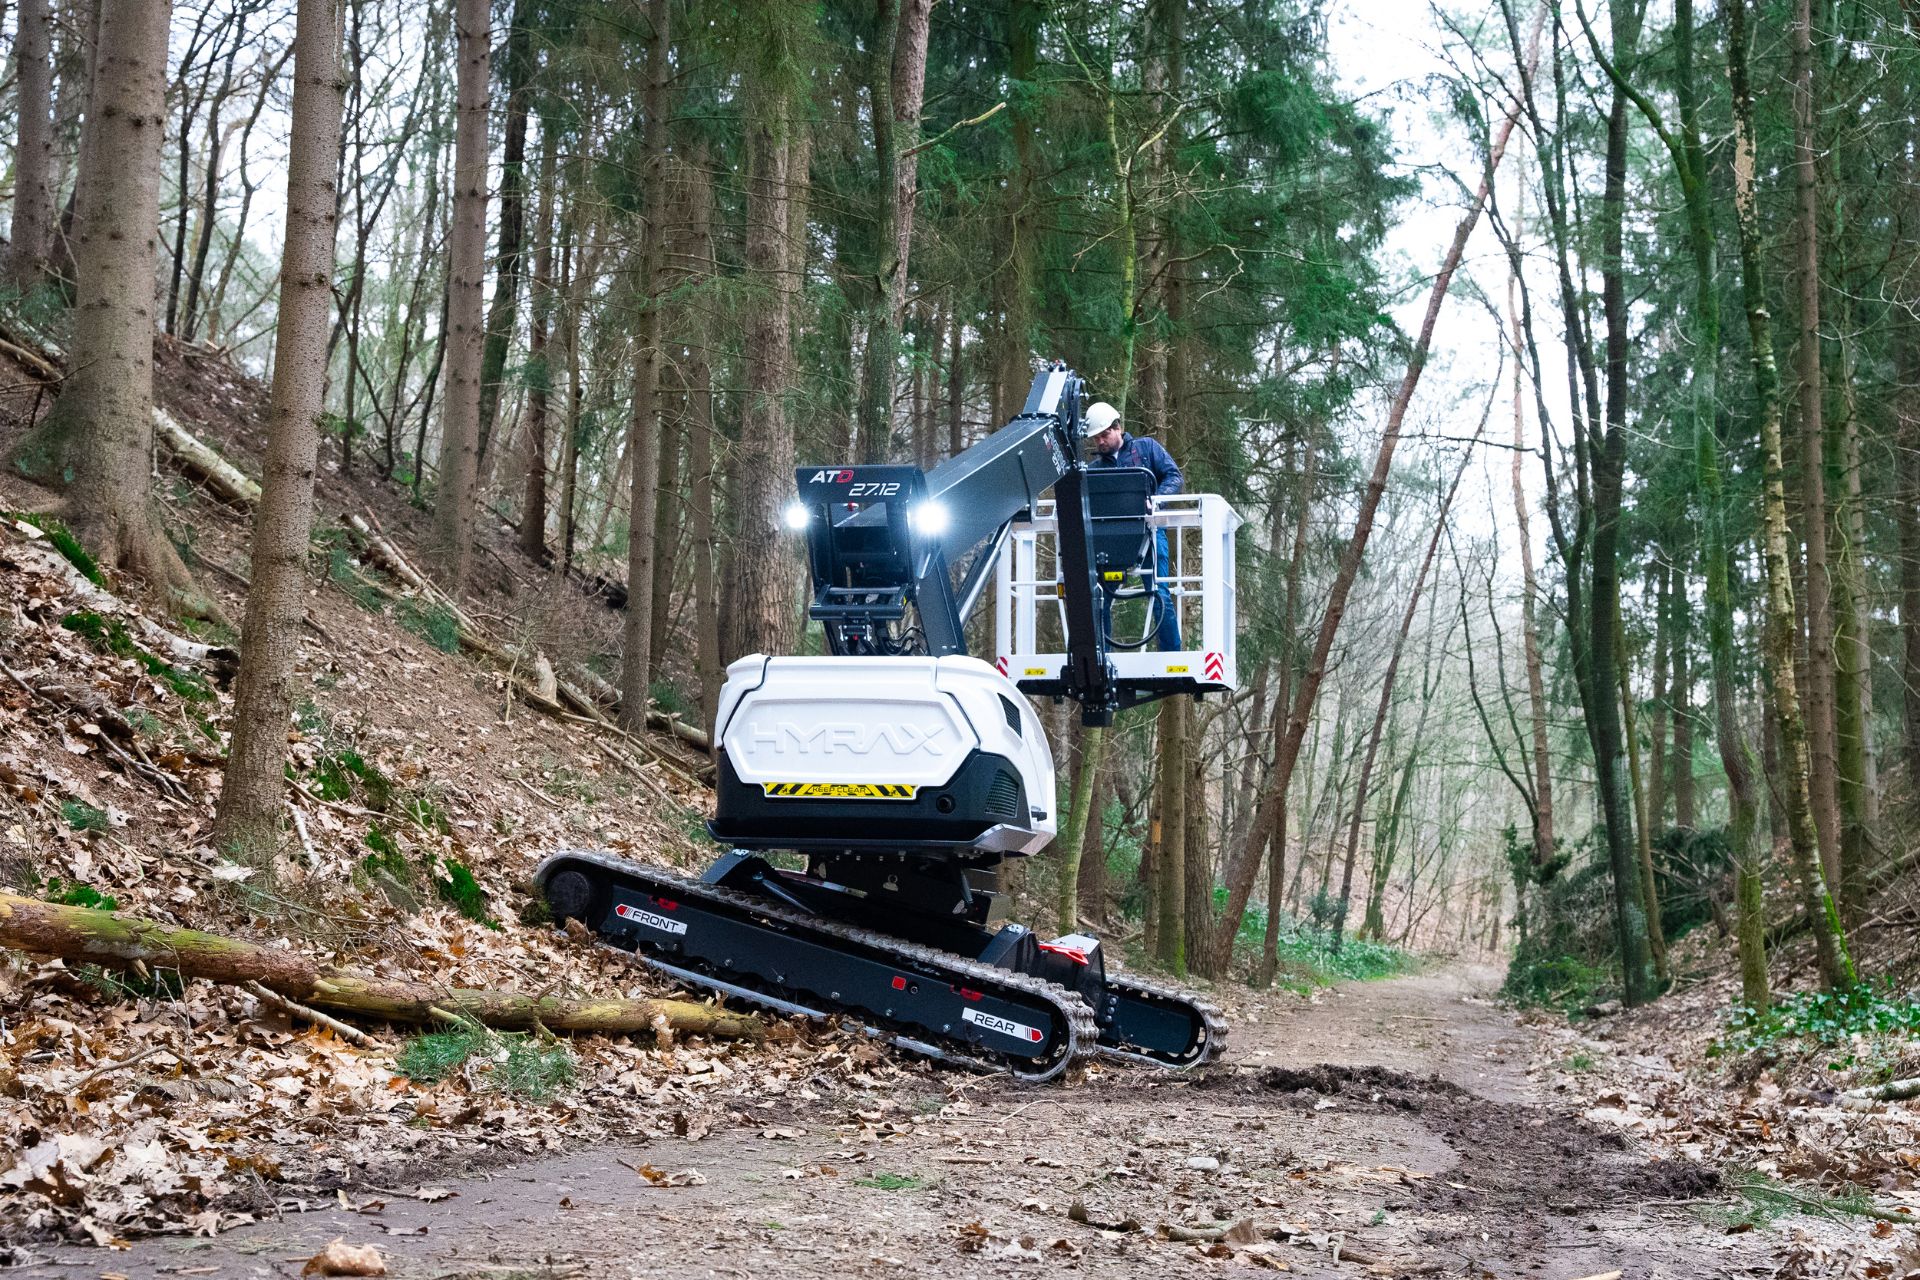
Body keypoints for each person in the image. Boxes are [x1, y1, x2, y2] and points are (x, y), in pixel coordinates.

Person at [1083, 401, 1182, 651]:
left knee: (1159, 592)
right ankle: (1100, 657)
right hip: (1113, 538)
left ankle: (1172, 654)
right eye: (1096, 438)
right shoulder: (1094, 470)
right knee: (1100, 596)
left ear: (1118, 428)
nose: (1101, 442)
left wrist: (1156, 501)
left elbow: (1174, 476)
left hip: (1150, 531)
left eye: (1104, 435)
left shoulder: (1146, 449)